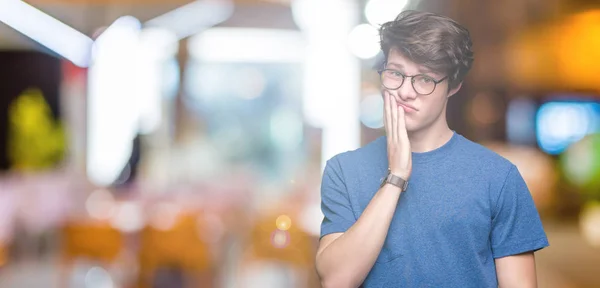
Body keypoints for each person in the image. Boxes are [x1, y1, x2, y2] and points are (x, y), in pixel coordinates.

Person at [315, 10, 549, 288]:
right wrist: (396, 177)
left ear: (453, 85)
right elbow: (336, 280)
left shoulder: (498, 177)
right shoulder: (343, 170)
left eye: (424, 79)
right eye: (395, 73)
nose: (405, 91)